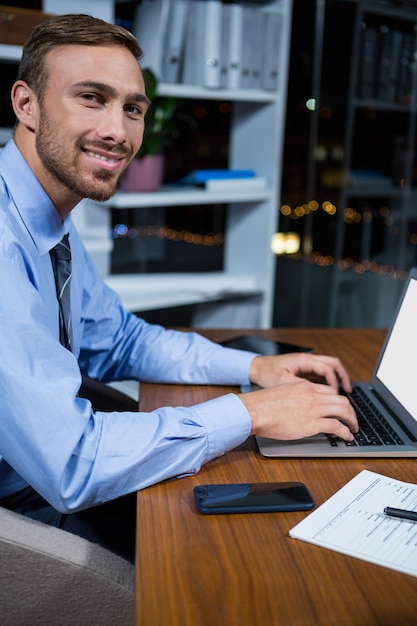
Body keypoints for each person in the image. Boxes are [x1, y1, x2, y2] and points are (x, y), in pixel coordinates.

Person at [0, 13, 358, 563]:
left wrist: (253, 370)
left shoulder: (45, 217)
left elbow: (120, 340)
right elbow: (74, 465)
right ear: (26, 105)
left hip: (41, 482)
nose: (118, 132)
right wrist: (253, 413)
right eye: (91, 98)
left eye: (132, 108)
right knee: (249, 560)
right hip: (25, 516)